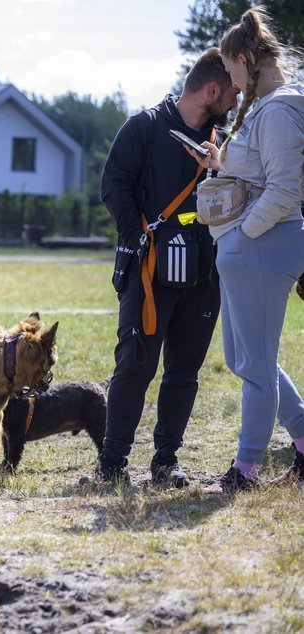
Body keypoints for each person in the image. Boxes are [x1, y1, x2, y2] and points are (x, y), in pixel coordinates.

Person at [97, 49, 240, 488]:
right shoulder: (145, 127)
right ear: (212, 90)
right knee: (136, 366)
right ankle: (112, 463)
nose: (237, 101)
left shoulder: (226, 143)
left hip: (204, 276)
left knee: (184, 372)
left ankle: (165, 462)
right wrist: (138, 236)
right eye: (233, 92)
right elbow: (113, 184)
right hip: (149, 271)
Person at [187, 8, 304, 491]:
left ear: (244, 59)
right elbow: (261, 172)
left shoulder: (278, 108)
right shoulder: (267, 106)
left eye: (233, 72)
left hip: (262, 245)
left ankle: (245, 471)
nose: (233, 83)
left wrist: (242, 234)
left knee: (255, 366)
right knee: (246, 360)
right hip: (251, 247)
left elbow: (285, 189)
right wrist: (221, 160)